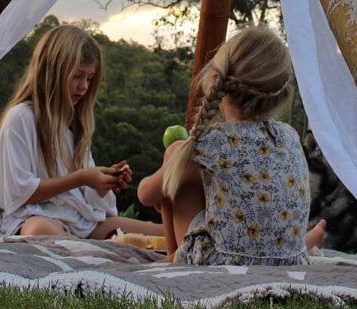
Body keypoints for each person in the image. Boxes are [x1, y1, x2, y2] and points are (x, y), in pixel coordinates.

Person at [138, 26, 325, 264]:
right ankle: (301, 246)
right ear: (282, 91)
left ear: (219, 79)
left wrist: (174, 163)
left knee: (177, 153)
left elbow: (145, 195)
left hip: (223, 263)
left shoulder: (212, 142)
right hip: (289, 261)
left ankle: (175, 258)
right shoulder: (288, 136)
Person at [0, 24, 162, 239]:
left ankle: (103, 252)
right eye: (77, 76)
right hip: (34, 219)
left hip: (81, 223)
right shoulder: (21, 118)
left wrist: (103, 184)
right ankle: (105, 255)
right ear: (53, 72)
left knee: (168, 234)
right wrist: (80, 178)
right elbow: (16, 193)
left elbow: (87, 199)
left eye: (89, 78)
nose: (84, 87)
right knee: (41, 231)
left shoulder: (73, 125)